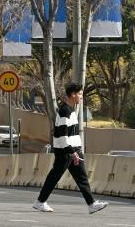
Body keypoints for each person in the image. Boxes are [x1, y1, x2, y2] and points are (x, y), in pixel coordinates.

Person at [33, 82, 108, 214]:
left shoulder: (71, 111)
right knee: (55, 176)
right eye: (80, 94)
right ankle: (40, 202)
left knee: (82, 177)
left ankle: (91, 204)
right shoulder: (65, 112)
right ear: (73, 94)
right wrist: (72, 152)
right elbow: (62, 136)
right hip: (65, 151)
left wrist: (75, 151)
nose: (81, 97)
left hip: (73, 150)